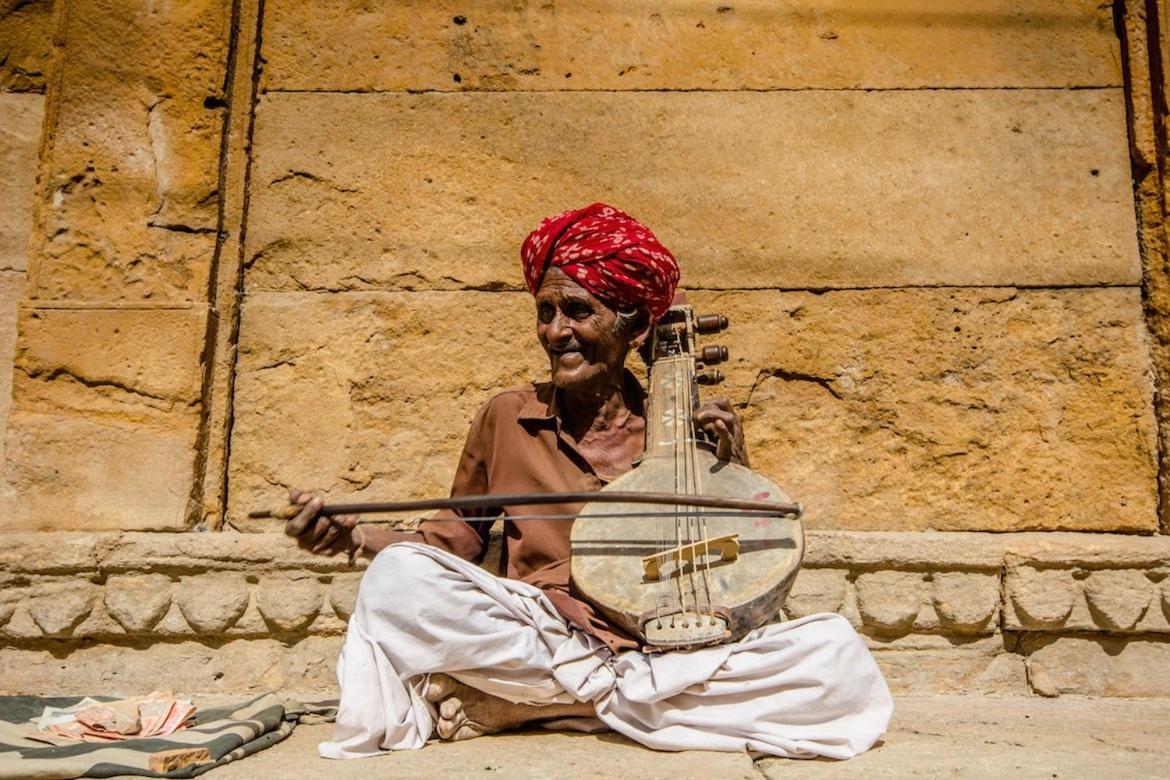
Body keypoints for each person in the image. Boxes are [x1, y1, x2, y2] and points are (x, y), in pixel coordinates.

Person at [284, 203, 893, 760]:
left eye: (578, 310)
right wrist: (355, 537)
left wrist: (733, 468)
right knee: (398, 581)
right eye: (545, 312)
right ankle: (623, 703)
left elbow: (746, 575)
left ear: (632, 328)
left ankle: (545, 707)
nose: (555, 331)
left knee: (836, 658)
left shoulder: (683, 431)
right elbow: (449, 548)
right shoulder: (506, 416)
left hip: (664, 643)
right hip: (546, 635)